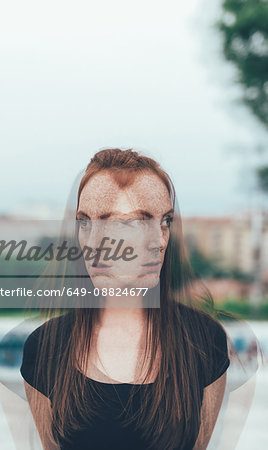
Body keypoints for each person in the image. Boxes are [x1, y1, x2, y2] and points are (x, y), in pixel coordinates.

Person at [19, 148, 231, 450]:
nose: (158, 240)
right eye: (85, 222)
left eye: (164, 221)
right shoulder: (44, 348)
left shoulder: (204, 341)